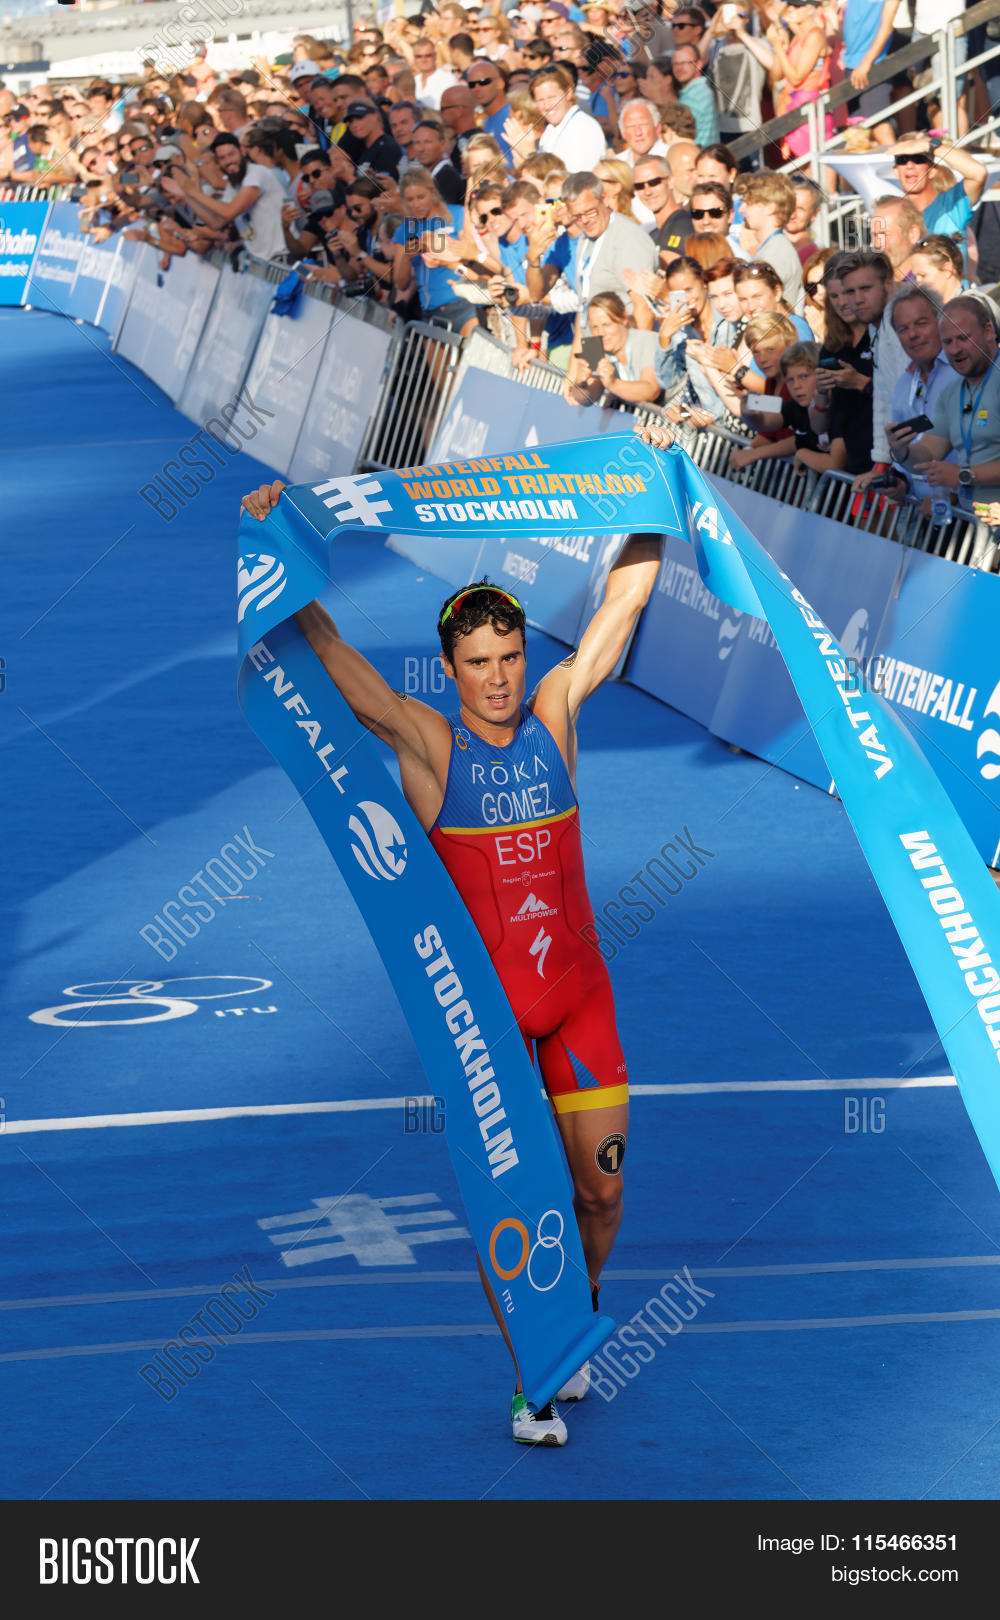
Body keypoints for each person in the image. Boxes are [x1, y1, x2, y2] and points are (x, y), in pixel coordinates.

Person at [236, 507, 662, 1446]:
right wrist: (280, 550)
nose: (501, 678)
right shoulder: (431, 745)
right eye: (479, 663)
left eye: (509, 655)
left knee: (601, 1193)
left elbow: (623, 607)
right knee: (517, 1207)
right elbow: (343, 670)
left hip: (582, 1001)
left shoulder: (556, 712)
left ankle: (573, 1309)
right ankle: (533, 1379)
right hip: (493, 1031)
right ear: (452, 669)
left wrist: (657, 500)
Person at [911, 294, 1000, 518]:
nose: (954, 349)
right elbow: (929, 452)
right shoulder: (953, 391)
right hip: (975, 524)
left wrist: (964, 475)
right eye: (947, 342)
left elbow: (962, 474)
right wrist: (900, 450)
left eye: (963, 338)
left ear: (989, 331)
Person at [881, 284, 956, 509]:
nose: (913, 334)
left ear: (941, 323)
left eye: (921, 323)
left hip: (966, 513)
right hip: (920, 512)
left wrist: (956, 495)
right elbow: (912, 457)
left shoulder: (961, 372)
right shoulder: (904, 384)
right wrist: (901, 482)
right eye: (903, 329)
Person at [890, 134, 987, 253]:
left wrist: (930, 145)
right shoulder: (892, 215)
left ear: (932, 171)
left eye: (918, 159)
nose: (910, 166)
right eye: (902, 160)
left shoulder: (951, 205)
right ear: (895, 171)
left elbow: (978, 173)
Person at [564, 290, 662, 404]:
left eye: (607, 325)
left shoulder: (648, 340)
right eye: (595, 327)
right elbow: (586, 399)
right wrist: (581, 383)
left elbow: (651, 391)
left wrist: (613, 384)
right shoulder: (593, 346)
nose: (601, 333)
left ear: (624, 318)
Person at [739, 171, 804, 315]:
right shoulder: (774, 248)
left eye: (747, 203)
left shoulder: (774, 254)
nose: (741, 209)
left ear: (770, 207)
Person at [532, 64, 607, 171]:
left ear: (569, 93)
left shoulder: (585, 128)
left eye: (551, 97)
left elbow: (576, 184)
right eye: (540, 100)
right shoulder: (551, 129)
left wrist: (529, 153)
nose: (547, 106)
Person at [671, 40, 719, 146]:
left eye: (684, 63)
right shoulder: (696, 90)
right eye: (676, 64)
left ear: (699, 64)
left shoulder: (697, 94)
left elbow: (682, 136)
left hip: (698, 155)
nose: (679, 68)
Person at [869, 193, 924, 276]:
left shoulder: (932, 283)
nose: (876, 244)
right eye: (874, 235)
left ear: (913, 234)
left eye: (884, 234)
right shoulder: (871, 283)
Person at [901, 234, 965, 305]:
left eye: (923, 275)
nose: (917, 284)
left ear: (947, 270)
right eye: (915, 277)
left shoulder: (971, 310)